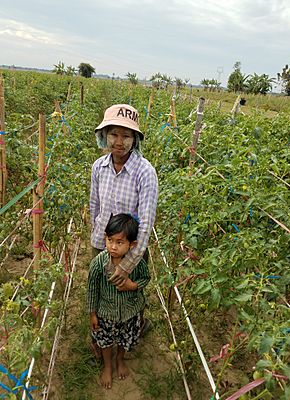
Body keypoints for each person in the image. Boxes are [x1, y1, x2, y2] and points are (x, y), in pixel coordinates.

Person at [90, 103, 158, 332]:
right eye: (113, 134)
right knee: (102, 288)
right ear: (104, 136)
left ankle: (134, 327)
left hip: (131, 247)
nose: (119, 142)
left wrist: (129, 263)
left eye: (126, 135)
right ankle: (103, 330)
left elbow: (146, 222)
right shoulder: (98, 167)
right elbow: (95, 206)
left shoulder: (145, 172)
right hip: (102, 242)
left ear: (135, 139)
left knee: (130, 290)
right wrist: (97, 237)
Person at [87, 213, 150, 389]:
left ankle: (120, 359)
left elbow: (146, 278)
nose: (113, 246)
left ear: (132, 245)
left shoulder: (136, 264)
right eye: (109, 240)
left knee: (125, 339)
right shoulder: (98, 264)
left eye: (119, 242)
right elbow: (91, 290)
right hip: (105, 313)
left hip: (130, 312)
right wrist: (92, 314)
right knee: (105, 340)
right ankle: (108, 365)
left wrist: (132, 285)